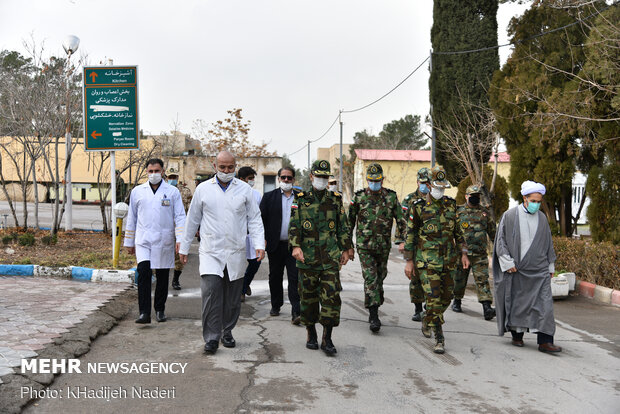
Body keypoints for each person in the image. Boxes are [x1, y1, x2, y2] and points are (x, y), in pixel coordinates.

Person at [179, 151, 265, 355]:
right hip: (211, 251)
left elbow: (254, 219)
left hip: (235, 251)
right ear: (215, 166)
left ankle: (227, 331)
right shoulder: (203, 190)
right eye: (222, 167)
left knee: (233, 298)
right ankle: (211, 337)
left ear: (235, 166)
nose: (226, 171)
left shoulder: (244, 190)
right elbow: (192, 219)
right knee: (210, 293)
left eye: (230, 167)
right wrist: (184, 246)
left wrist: (259, 243)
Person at [289, 159, 353, 356]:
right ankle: (311, 333)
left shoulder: (335, 199)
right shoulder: (301, 198)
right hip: (307, 258)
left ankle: (327, 338)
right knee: (308, 298)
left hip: (330, 258)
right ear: (311, 177)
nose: (322, 180)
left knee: (332, 298)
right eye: (319, 176)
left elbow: (343, 227)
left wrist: (346, 249)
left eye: (325, 177)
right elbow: (294, 225)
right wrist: (295, 246)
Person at [404, 165, 470, 354]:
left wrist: (464, 254)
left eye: (443, 188)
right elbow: (410, 235)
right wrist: (409, 261)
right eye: (437, 187)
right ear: (429, 185)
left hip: (449, 261)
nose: (440, 191)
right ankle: (439, 338)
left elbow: (459, 233)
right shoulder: (418, 207)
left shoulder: (451, 205)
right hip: (427, 262)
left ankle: (427, 318)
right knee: (433, 299)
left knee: (446, 298)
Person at [493, 180, 561, 353]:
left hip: (539, 270)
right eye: (533, 201)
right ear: (524, 198)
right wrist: (507, 262)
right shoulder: (509, 216)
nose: (536, 205)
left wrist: (550, 266)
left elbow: (548, 244)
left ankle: (545, 341)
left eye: (539, 202)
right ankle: (517, 336)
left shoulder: (543, 218)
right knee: (518, 303)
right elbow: (501, 241)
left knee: (545, 304)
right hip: (517, 269)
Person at [124, 159, 186, 324]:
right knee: (143, 272)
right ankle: (144, 312)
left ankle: (160, 309)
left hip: (164, 239)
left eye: (156, 171)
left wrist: (180, 239)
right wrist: (129, 242)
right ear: (146, 171)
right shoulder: (137, 191)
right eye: (150, 171)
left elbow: (180, 217)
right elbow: (132, 217)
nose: (153, 174)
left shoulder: (172, 192)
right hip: (143, 240)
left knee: (163, 276)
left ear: (163, 171)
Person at [348, 163, 406, 333]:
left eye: (378, 180)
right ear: (367, 180)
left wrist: (401, 240)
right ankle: (374, 315)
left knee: (380, 277)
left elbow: (401, 220)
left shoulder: (391, 197)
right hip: (365, 247)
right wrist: (348, 246)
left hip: (383, 247)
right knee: (371, 278)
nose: (374, 183)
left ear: (382, 179)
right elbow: (348, 223)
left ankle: (375, 301)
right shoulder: (358, 198)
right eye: (371, 180)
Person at [259, 166, 301, 323]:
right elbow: (261, 220)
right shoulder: (269, 197)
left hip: (294, 246)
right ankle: (275, 305)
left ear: (293, 180)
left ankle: (296, 311)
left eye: (289, 178)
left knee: (295, 278)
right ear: (278, 179)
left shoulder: (301, 198)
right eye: (283, 177)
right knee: (275, 277)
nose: (286, 180)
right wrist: (261, 239)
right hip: (275, 246)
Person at [452, 185, 496, 320]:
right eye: (472, 196)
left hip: (480, 254)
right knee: (459, 279)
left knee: (482, 280)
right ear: (466, 196)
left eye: (477, 196)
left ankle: (487, 307)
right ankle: (457, 301)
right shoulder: (458, 212)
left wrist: (499, 248)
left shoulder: (484, 213)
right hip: (461, 254)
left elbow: (493, 232)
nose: (475, 198)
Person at [396, 167, 431, 322]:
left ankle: (429, 307)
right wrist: (401, 241)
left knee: (431, 276)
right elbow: (401, 222)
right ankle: (417, 308)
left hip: (430, 245)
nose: (425, 185)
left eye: (427, 182)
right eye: (422, 182)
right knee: (415, 277)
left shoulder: (434, 199)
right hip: (414, 244)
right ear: (417, 182)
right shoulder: (409, 200)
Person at [237, 166, 263, 302]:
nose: (252, 181)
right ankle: (240, 290)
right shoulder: (234, 194)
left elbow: (260, 216)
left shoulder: (257, 195)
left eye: (253, 178)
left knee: (255, 263)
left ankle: (245, 284)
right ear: (242, 179)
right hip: (238, 235)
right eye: (250, 178)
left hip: (252, 235)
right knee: (239, 264)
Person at [166, 172, 193, 290]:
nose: (172, 179)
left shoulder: (185, 192)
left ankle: (176, 279)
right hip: (164, 228)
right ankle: (159, 278)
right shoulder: (162, 189)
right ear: (166, 178)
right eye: (170, 177)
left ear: (177, 178)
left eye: (174, 177)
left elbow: (190, 210)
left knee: (179, 256)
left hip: (180, 228)